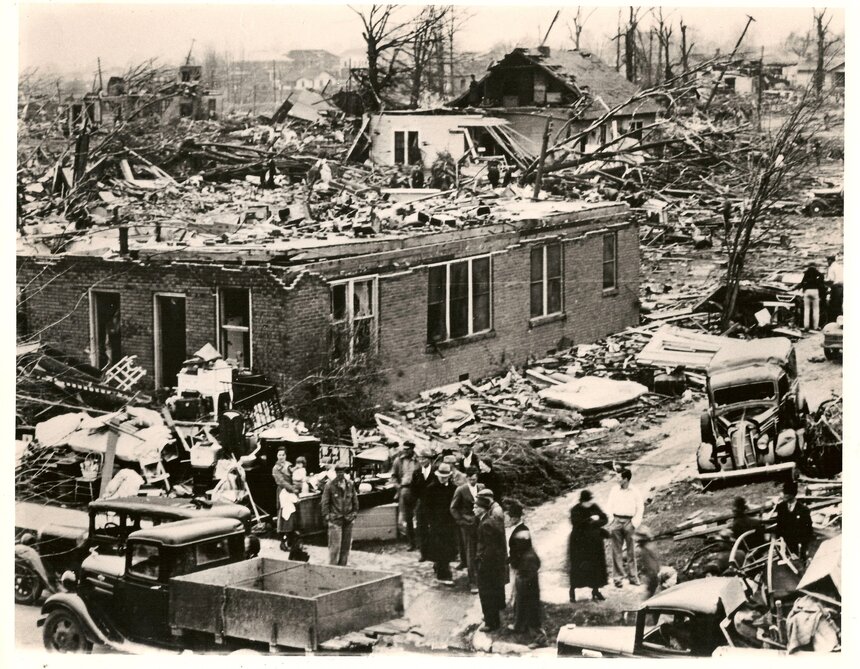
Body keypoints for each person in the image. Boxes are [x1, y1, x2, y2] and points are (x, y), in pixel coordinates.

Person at [474, 489, 507, 631]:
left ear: (482, 509)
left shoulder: (486, 524)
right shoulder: (488, 520)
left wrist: (482, 563)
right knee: (491, 592)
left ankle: (490, 623)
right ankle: (492, 620)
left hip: (487, 566)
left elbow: (490, 548)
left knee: (486, 594)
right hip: (492, 565)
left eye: (475, 507)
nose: (473, 509)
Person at [506, 499, 542, 634]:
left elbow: (520, 552)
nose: (508, 519)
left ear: (515, 518)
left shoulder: (521, 531)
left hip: (522, 568)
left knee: (520, 597)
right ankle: (521, 623)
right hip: (523, 566)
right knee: (520, 597)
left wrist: (511, 562)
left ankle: (520, 625)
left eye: (509, 517)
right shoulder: (521, 529)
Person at [605, 468, 644, 588]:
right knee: (616, 550)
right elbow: (609, 505)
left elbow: (640, 508)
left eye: (619, 478)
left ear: (626, 479)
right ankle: (618, 579)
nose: (617, 480)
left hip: (629, 522)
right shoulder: (614, 490)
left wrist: (634, 523)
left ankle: (633, 577)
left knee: (630, 550)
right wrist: (611, 520)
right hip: (616, 520)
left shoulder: (635, 491)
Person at [568, 489, 609, 602]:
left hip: (594, 543)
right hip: (579, 544)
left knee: (596, 566)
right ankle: (572, 592)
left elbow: (605, 518)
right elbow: (577, 523)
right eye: (589, 500)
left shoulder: (594, 507)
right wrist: (590, 519)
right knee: (579, 566)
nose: (591, 502)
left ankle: (595, 590)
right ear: (583, 501)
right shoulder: (575, 510)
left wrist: (596, 522)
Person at [424, 462, 459, 585]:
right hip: (436, 523)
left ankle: (439, 565)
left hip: (449, 523)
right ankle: (443, 575)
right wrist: (430, 522)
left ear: (449, 476)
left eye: (445, 476)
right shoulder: (431, 488)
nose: (442, 478)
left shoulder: (453, 488)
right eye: (440, 476)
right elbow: (427, 508)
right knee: (440, 547)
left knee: (448, 547)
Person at [321, 463, 359, 566]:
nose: (340, 474)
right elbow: (325, 503)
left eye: (342, 471)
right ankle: (332, 569)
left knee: (345, 548)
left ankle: (343, 568)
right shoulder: (330, 485)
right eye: (338, 472)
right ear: (335, 472)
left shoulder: (350, 484)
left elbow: (355, 501)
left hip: (348, 519)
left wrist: (354, 514)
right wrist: (328, 516)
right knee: (334, 548)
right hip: (335, 520)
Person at [450, 467, 480, 593]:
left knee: (481, 551)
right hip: (467, 526)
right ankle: (473, 582)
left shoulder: (482, 487)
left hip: (481, 524)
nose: (473, 481)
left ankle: (482, 578)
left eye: (475, 478)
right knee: (470, 552)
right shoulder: (461, 489)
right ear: (467, 478)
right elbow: (453, 508)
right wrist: (461, 521)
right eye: (470, 479)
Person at [775, 480, 813, 560]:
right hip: (784, 545)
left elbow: (808, 531)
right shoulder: (781, 507)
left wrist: (803, 550)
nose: (783, 495)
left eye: (786, 493)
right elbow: (779, 527)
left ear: (792, 494)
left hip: (798, 545)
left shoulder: (803, 510)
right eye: (784, 492)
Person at [391, 441, 419, 550]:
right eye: (404, 448)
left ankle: (420, 541)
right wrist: (398, 487)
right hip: (405, 489)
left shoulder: (418, 460)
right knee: (407, 518)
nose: (405, 451)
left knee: (419, 516)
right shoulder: (399, 460)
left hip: (417, 490)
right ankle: (411, 542)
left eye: (408, 449)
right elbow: (393, 476)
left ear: (412, 449)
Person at [272, 448, 298, 552]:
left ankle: (291, 540)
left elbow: (294, 477)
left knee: (292, 515)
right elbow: (280, 481)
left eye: (283, 455)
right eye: (279, 455)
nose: (281, 457)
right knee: (283, 515)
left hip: (291, 492)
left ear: (286, 456)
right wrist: (292, 488)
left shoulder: (289, 465)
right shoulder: (275, 468)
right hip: (283, 493)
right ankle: (282, 542)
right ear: (277, 456)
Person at [411, 454, 435, 561]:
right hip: (421, 504)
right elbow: (413, 489)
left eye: (424, 459)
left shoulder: (435, 471)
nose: (421, 461)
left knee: (434, 528)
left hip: (433, 505)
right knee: (422, 529)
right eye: (420, 459)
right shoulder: (416, 473)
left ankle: (433, 552)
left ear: (429, 459)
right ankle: (424, 554)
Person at [797, 264, 826, 330]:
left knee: (806, 309)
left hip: (807, 292)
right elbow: (822, 281)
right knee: (816, 310)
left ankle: (806, 326)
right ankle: (815, 327)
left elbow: (801, 283)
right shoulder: (818, 274)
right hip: (815, 291)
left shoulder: (806, 273)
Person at [825, 255, 843, 323]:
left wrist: (823, 282)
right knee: (839, 306)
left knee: (833, 305)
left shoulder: (831, 267)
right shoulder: (839, 266)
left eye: (827, 261)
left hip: (836, 287)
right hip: (842, 287)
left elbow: (831, 280)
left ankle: (831, 322)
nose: (827, 262)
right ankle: (839, 321)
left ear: (830, 260)